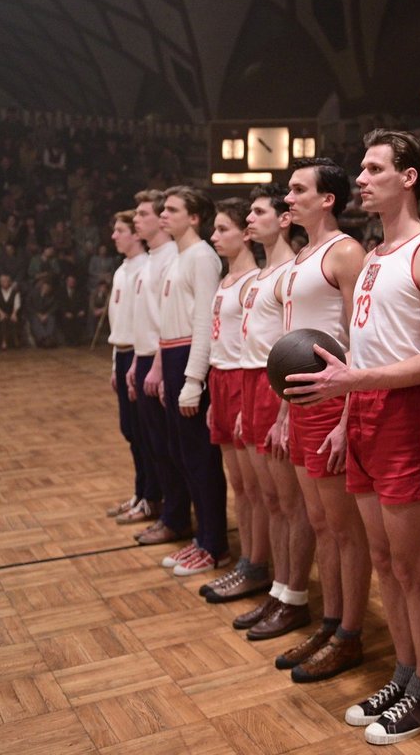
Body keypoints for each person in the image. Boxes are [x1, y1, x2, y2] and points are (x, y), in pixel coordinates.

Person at [283, 129, 420, 746]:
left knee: (413, 566)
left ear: (409, 177)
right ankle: (405, 672)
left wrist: (361, 382)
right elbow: (360, 348)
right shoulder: (376, 254)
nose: (361, 177)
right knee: (382, 558)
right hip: (363, 412)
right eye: (360, 167)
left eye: (374, 167)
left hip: (407, 415)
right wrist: (348, 408)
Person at [272, 159, 373, 682]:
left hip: (333, 403)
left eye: (297, 190)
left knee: (344, 529)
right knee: (320, 524)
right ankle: (331, 622)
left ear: (327, 199)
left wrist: (346, 418)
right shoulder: (300, 257)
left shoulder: (347, 252)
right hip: (303, 403)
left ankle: (350, 634)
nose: (287, 198)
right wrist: (287, 412)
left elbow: (359, 340)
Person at [228, 184, 314, 641]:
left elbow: (291, 347)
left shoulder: (291, 271)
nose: (249, 220)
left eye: (259, 212)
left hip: (275, 386)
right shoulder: (262, 273)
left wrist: (282, 407)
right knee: (270, 499)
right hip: (250, 386)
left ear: (284, 219)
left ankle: (294, 594)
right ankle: (278, 587)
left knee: (290, 501)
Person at [154, 186, 228, 576]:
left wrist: (193, 378)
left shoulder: (201, 257)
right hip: (172, 354)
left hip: (187, 356)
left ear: (194, 217)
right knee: (182, 455)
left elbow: (204, 322)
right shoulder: (180, 257)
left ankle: (214, 544)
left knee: (200, 459)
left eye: (172, 209)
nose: (163, 214)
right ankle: (201, 538)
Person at [199, 199, 269, 601]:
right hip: (221, 380)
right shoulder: (225, 281)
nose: (214, 236)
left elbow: (252, 343)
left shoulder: (255, 281)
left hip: (244, 380)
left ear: (245, 233)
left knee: (257, 488)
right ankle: (247, 560)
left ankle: (258, 563)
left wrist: (243, 398)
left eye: (223, 229)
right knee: (239, 486)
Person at [127, 190, 185, 545]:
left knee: (167, 448)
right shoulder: (151, 259)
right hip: (148, 355)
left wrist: (157, 364)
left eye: (142, 213)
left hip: (163, 357)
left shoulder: (170, 258)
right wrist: (138, 358)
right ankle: (165, 510)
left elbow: (168, 319)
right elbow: (145, 319)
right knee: (153, 445)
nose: (137, 219)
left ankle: (176, 516)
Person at [104, 209, 159, 527]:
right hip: (124, 354)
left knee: (143, 432)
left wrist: (137, 359)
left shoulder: (145, 269)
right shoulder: (122, 270)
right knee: (131, 431)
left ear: (135, 235)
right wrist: (116, 362)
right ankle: (141, 493)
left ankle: (152, 497)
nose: (115, 235)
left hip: (140, 355)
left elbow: (144, 322)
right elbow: (119, 322)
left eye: (120, 230)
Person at [0, 273, 22, 350]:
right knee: (3, 320)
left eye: (6, 281)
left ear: (10, 282)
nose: (4, 282)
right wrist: (1, 313)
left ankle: (16, 340)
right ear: (0, 282)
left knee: (14, 319)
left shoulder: (15, 292)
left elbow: (17, 304)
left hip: (12, 312)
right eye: (2, 281)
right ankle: (3, 342)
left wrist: (14, 313)